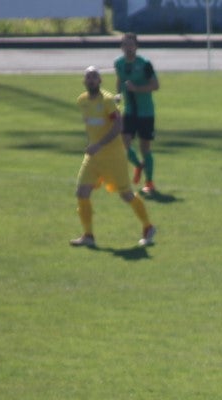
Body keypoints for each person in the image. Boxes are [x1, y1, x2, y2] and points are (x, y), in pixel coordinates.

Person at [70, 66, 157, 249]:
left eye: (95, 77)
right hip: (93, 157)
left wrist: (98, 145)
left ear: (100, 81)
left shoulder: (107, 100)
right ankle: (88, 235)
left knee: (126, 195)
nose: (92, 80)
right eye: (88, 77)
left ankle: (148, 227)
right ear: (84, 81)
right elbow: (93, 126)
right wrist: (92, 145)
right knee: (81, 193)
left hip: (113, 157)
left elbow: (118, 126)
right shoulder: (82, 101)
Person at [114, 33, 160, 196]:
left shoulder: (145, 64)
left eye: (131, 44)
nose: (128, 48)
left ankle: (149, 182)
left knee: (145, 147)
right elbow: (120, 80)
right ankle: (139, 165)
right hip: (129, 111)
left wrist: (136, 89)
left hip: (146, 111)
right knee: (124, 144)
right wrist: (118, 95)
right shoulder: (118, 63)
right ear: (121, 47)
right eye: (125, 45)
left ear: (136, 46)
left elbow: (155, 85)